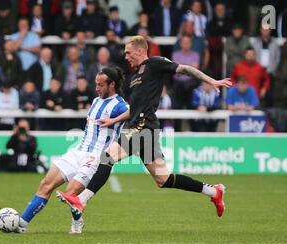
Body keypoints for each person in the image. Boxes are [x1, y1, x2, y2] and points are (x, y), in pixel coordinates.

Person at [56, 36, 232, 227]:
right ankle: (214, 192)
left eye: (128, 52)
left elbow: (185, 69)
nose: (125, 56)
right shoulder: (133, 78)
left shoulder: (155, 63)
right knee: (163, 179)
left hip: (143, 126)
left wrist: (211, 80)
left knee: (107, 156)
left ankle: (82, 200)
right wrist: (114, 120)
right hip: (141, 127)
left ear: (140, 51)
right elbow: (133, 108)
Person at [14, 67, 130, 234]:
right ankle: (21, 224)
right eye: (96, 84)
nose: (96, 88)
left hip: (96, 156)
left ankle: (77, 222)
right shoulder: (97, 100)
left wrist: (115, 120)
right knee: (46, 184)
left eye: (100, 85)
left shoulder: (119, 105)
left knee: (71, 192)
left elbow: (136, 111)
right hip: (78, 151)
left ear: (112, 84)